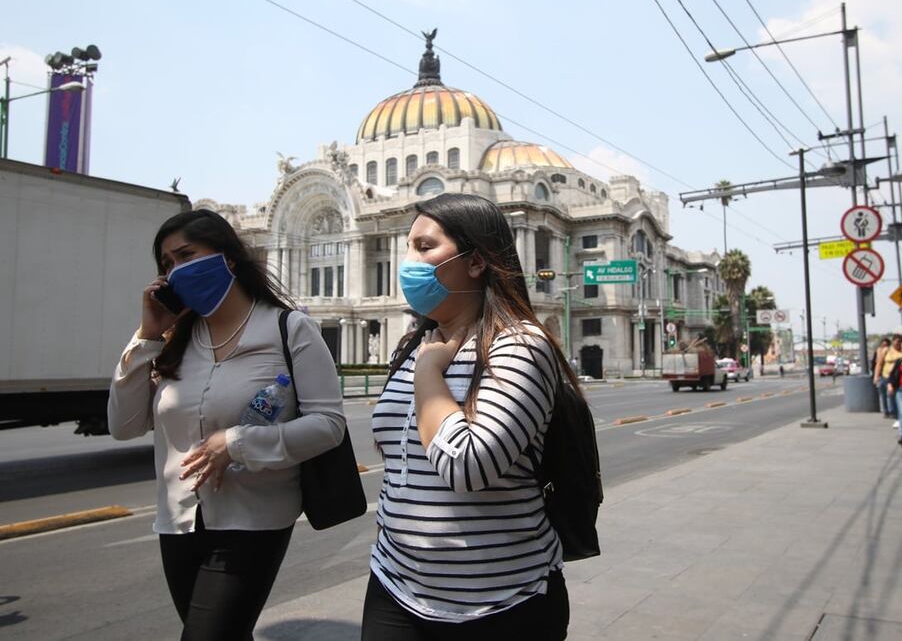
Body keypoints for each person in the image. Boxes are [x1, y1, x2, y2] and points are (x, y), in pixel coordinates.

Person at [108, 209, 347, 640]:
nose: (177, 270)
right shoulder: (176, 341)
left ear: (228, 258)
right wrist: (146, 336)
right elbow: (124, 426)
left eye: (186, 255)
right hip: (178, 522)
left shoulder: (288, 329)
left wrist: (236, 443)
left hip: (253, 521)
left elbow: (328, 424)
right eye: (167, 264)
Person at [362, 194, 573, 640]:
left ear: (475, 262)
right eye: (408, 248)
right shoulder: (420, 342)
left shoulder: (518, 345)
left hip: (500, 603)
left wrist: (428, 372)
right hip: (395, 589)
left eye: (425, 247)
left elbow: (467, 465)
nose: (408, 263)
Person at [872, 336, 901, 421]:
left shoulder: (898, 351)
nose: (885, 346)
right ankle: (886, 411)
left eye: (886, 344)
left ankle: (892, 412)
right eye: (883, 344)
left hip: (893, 377)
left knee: (890, 395)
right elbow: (878, 364)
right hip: (883, 375)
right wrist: (876, 376)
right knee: (883, 395)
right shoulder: (881, 351)